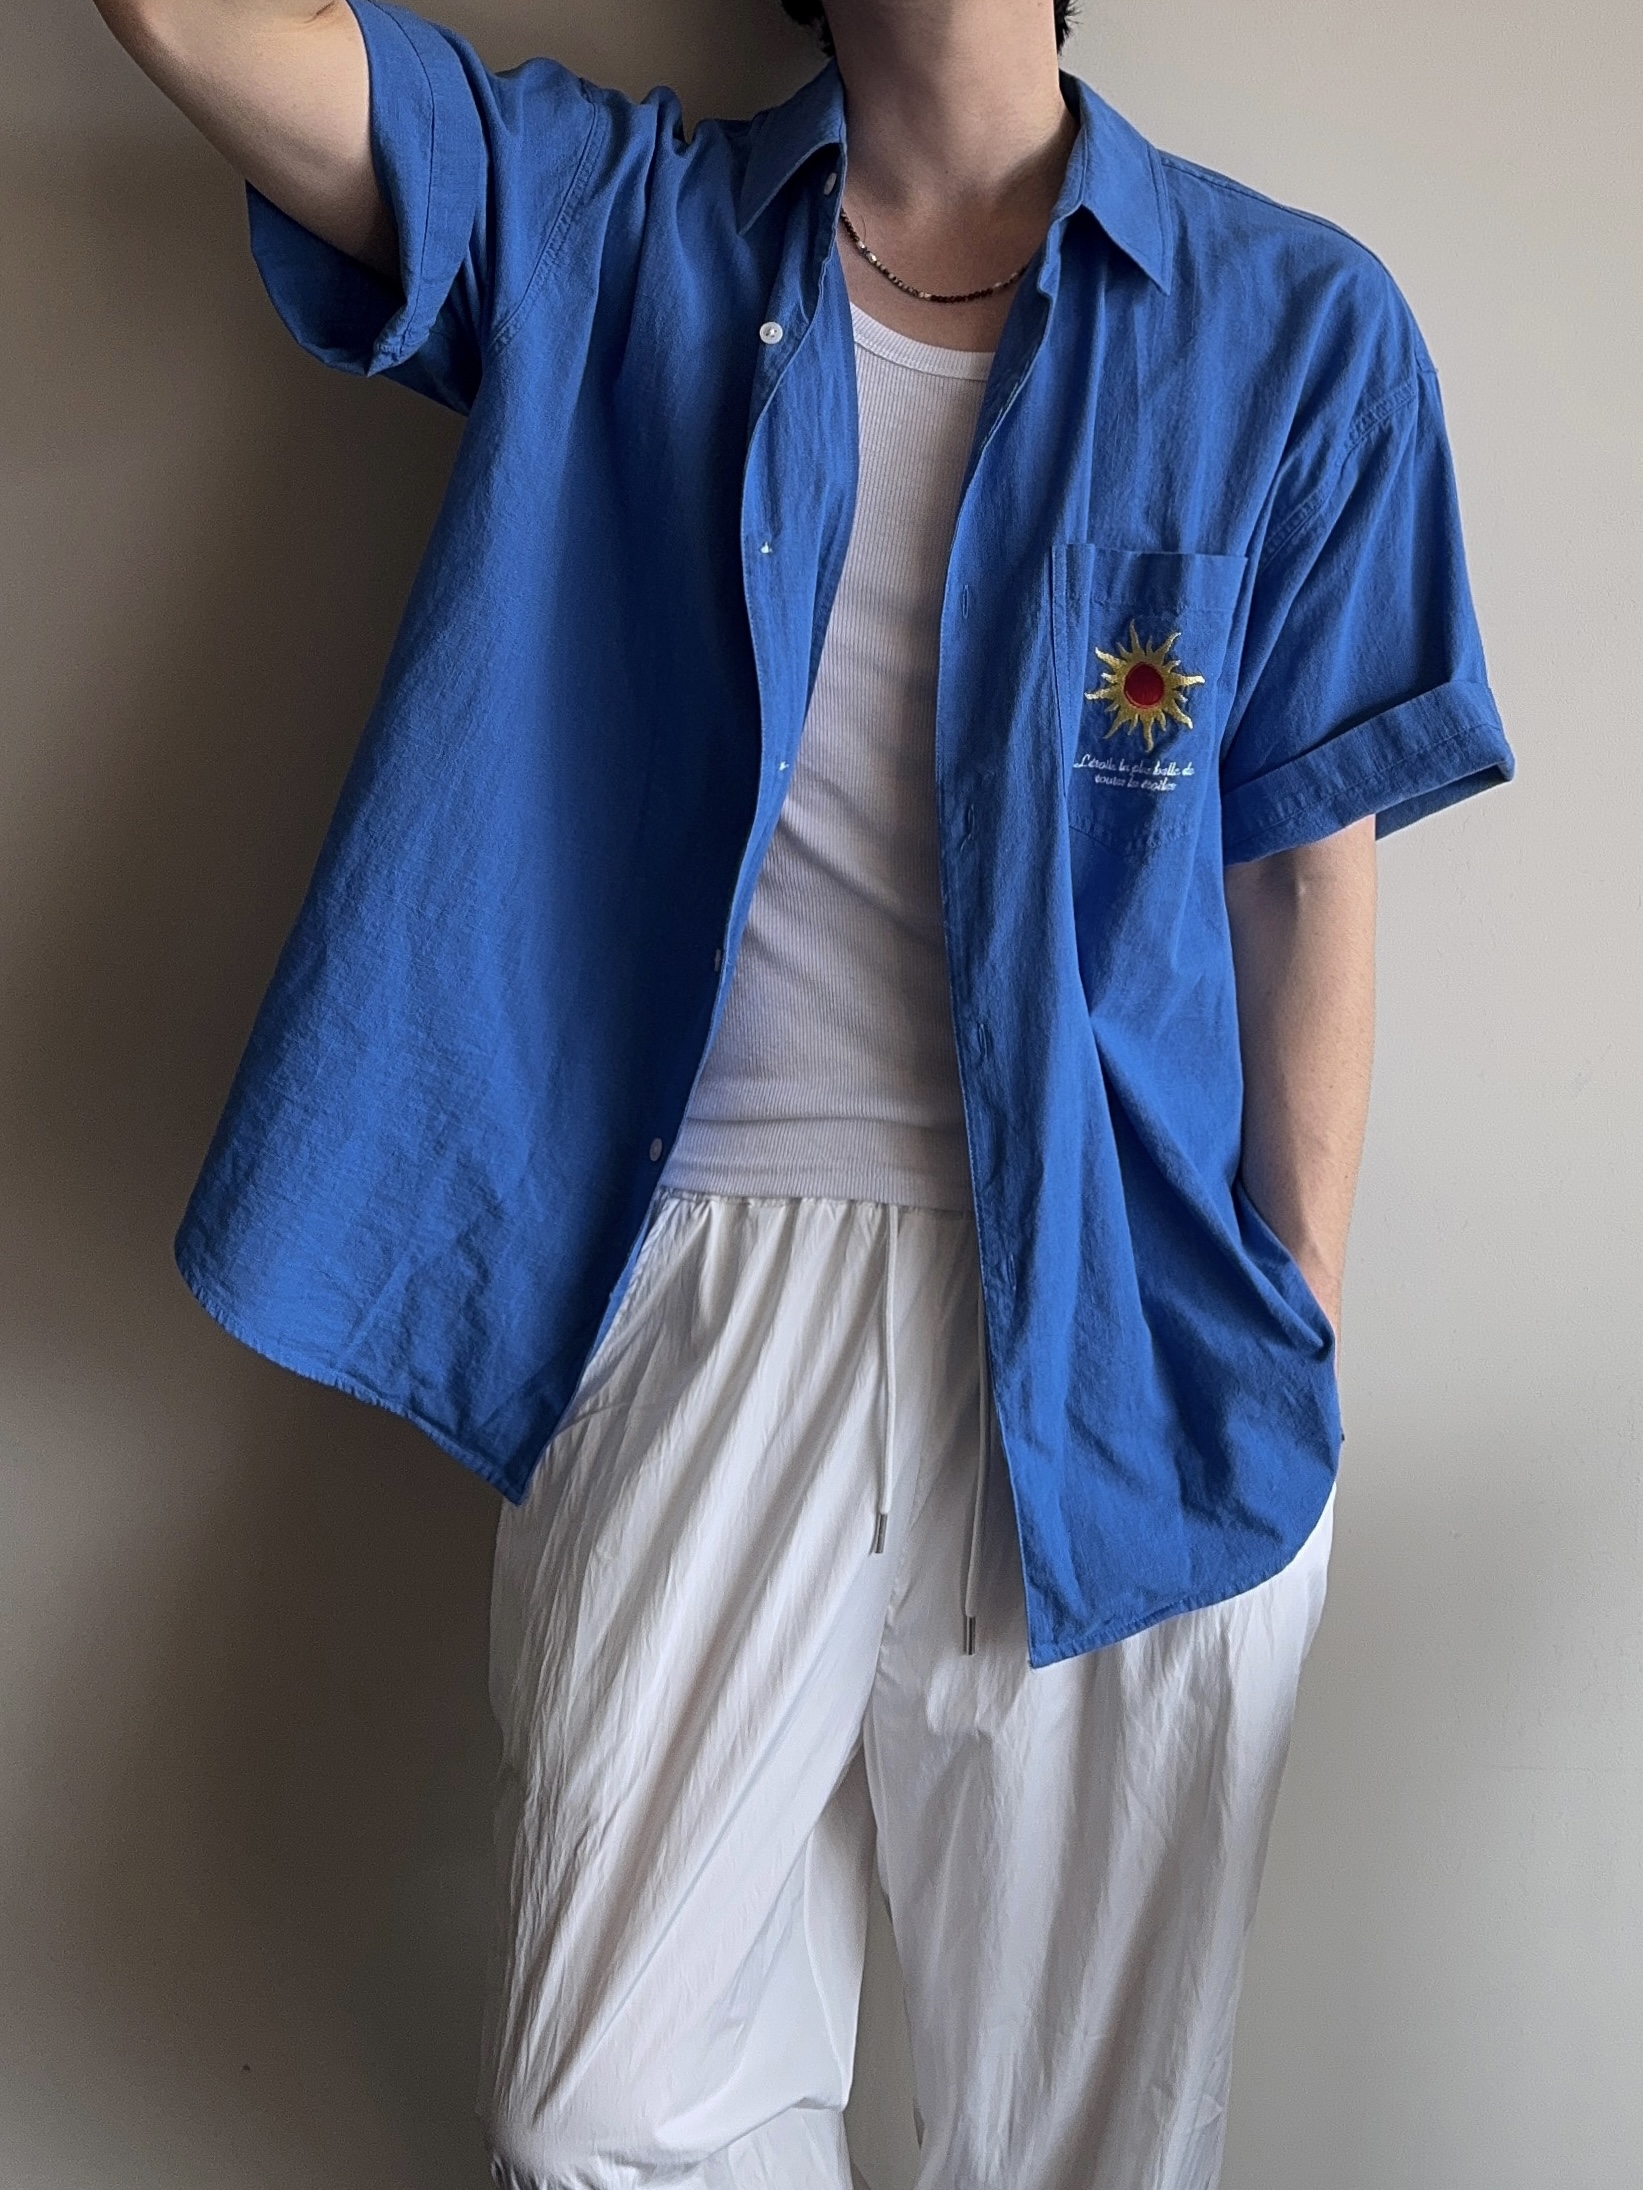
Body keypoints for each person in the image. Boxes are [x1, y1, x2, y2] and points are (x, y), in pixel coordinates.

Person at [88, 0, 1514, 2179]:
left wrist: (1290, 1319)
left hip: (1128, 1326)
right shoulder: (615, 226)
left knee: (1091, 2140)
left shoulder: (1294, 327)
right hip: (703, 1282)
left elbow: (1307, 871)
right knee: (603, 2107)